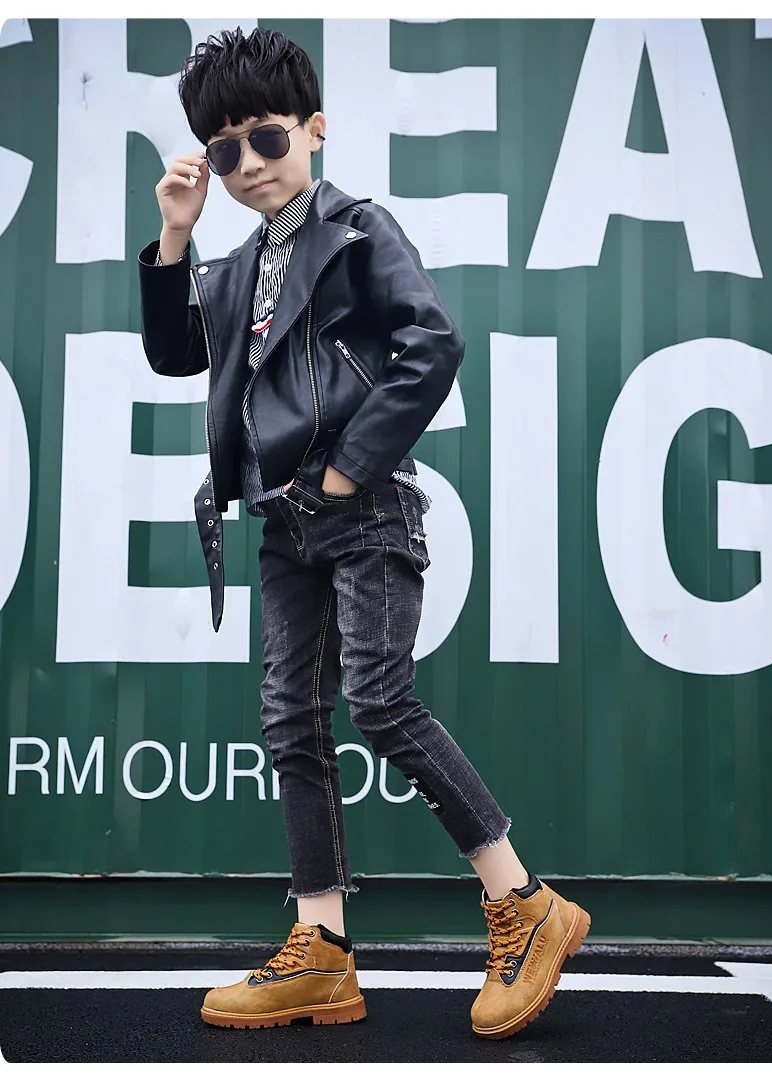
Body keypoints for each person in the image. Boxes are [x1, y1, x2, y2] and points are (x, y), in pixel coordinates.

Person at [137, 25, 590, 1041]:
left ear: (314, 130)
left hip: (364, 504)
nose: (248, 165)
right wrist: (174, 236)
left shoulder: (355, 229)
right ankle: (322, 950)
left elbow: (434, 340)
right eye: (224, 151)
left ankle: (526, 904)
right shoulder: (238, 265)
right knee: (290, 722)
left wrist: (350, 466)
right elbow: (175, 352)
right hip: (284, 521)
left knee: (380, 701)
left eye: (266, 138)